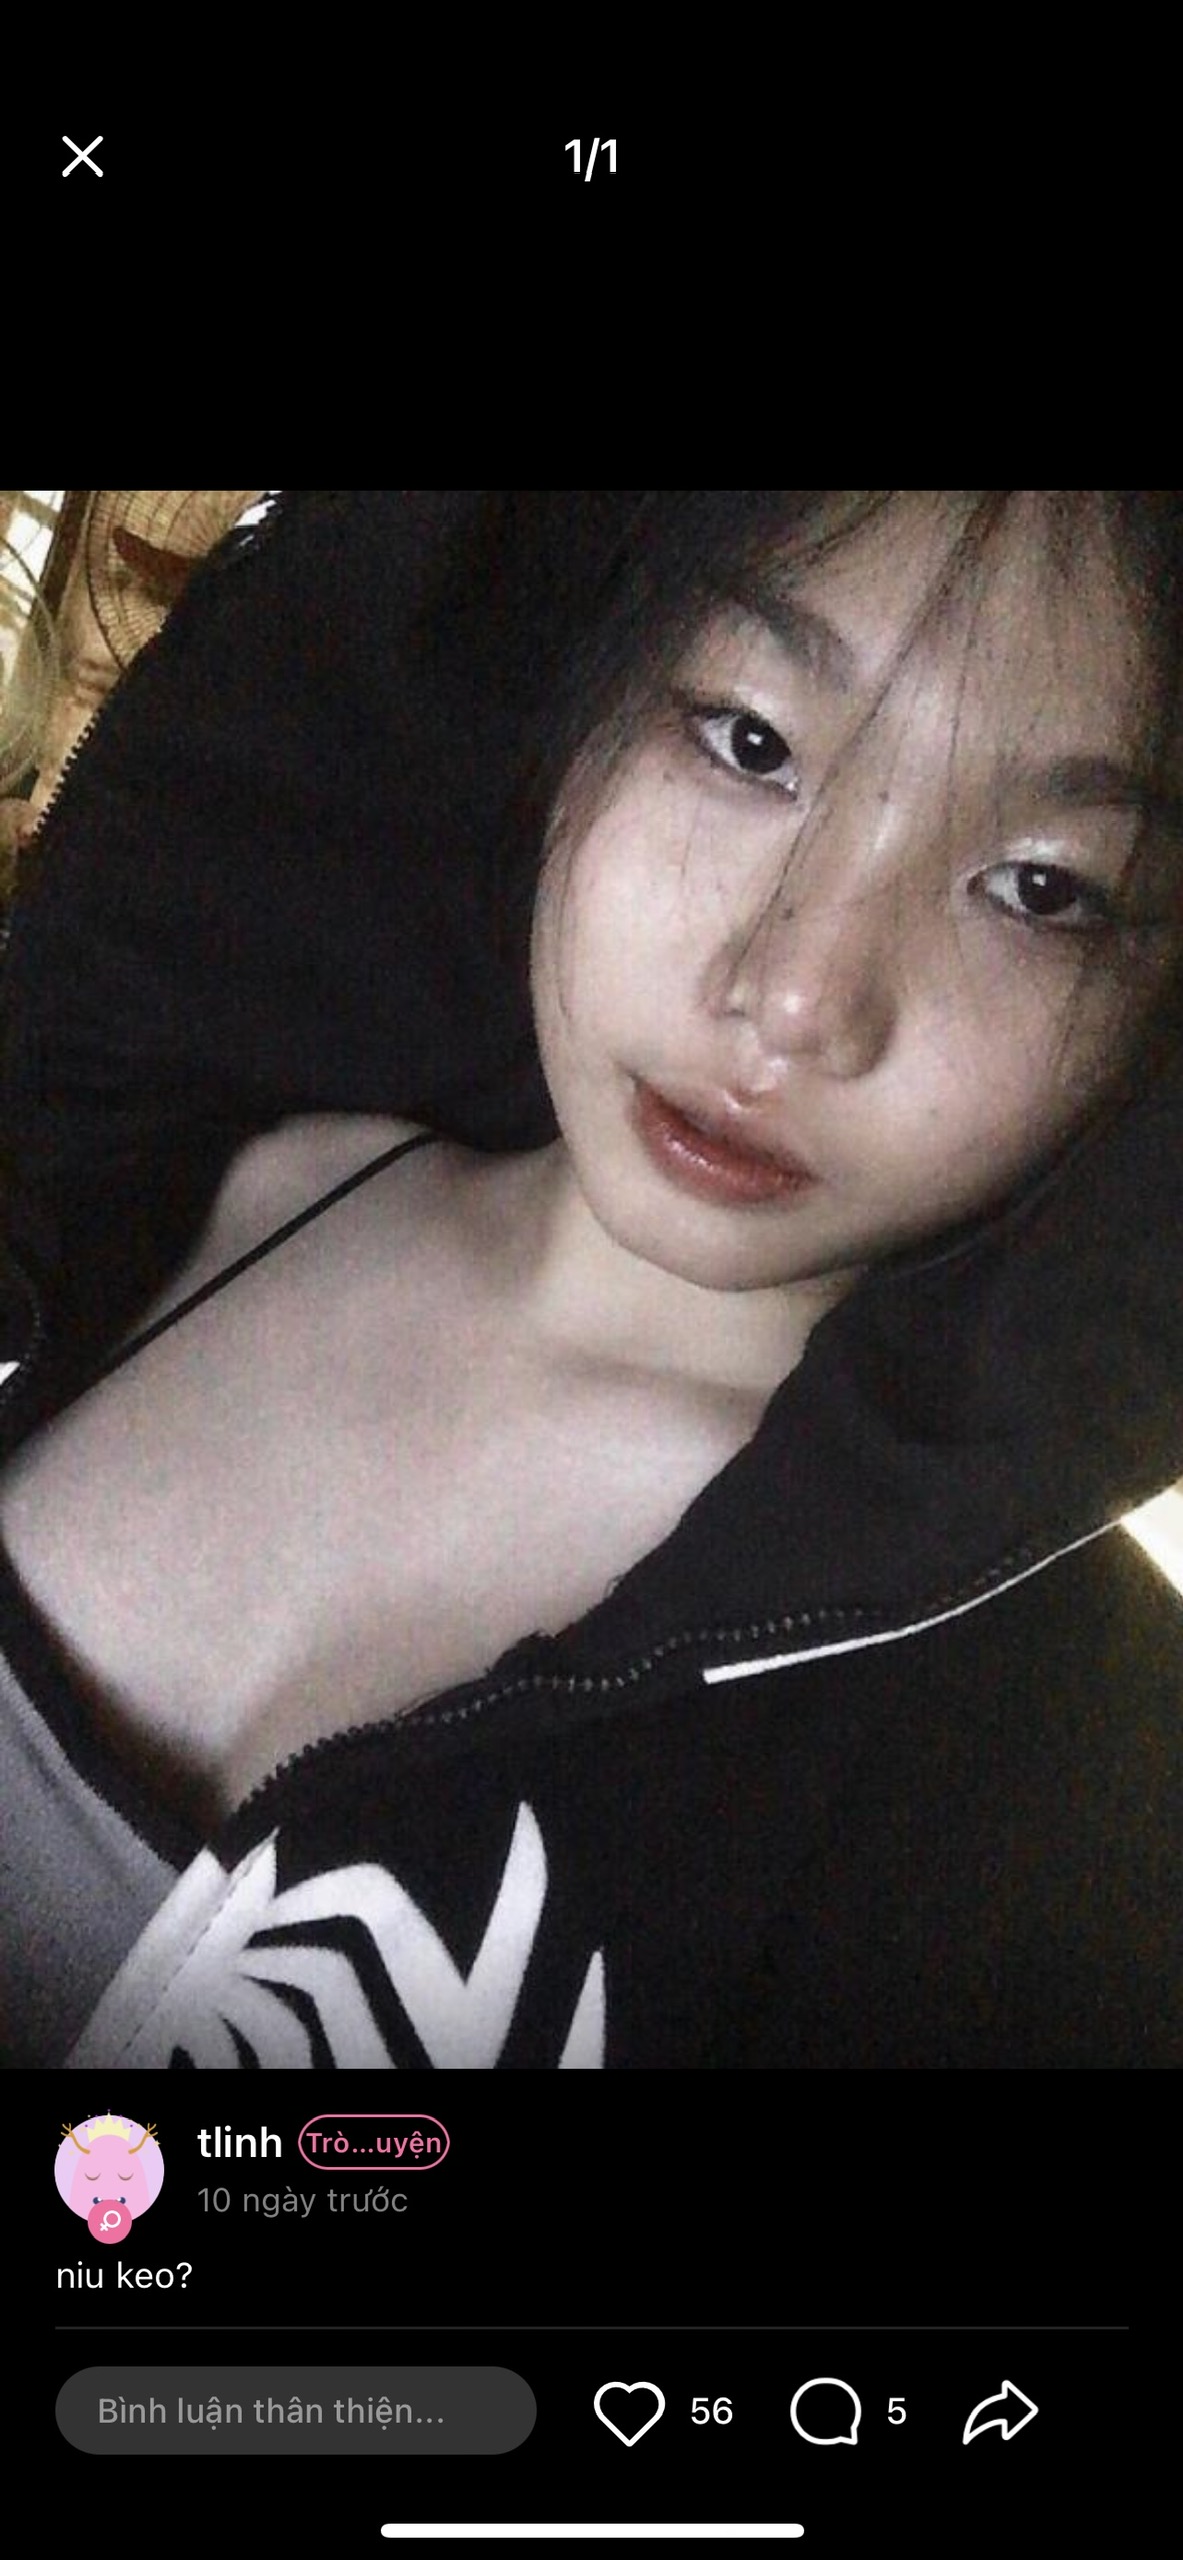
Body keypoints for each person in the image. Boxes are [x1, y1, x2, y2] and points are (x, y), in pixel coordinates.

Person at [0, 488, 1180, 2071]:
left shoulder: (1081, 1802)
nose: (794, 997)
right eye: (748, 743)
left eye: (1043, 889)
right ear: (583, 681)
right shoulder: (145, 1161)